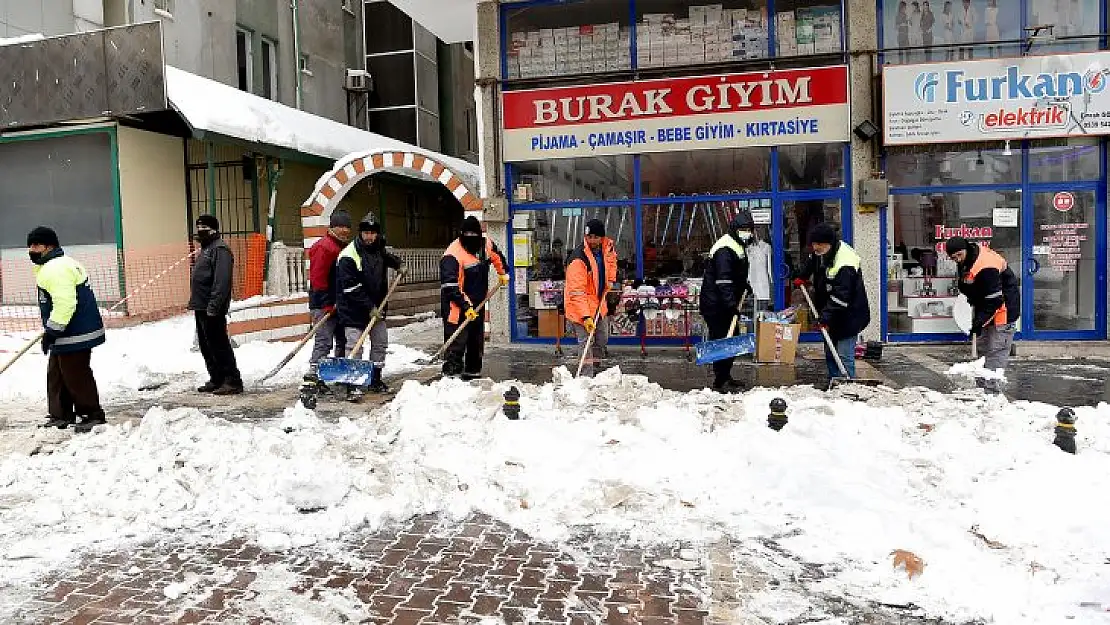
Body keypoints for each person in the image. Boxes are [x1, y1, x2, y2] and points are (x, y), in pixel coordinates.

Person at [27, 227, 107, 432]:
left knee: (75, 373)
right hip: (67, 330)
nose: (31, 249)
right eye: (30, 245)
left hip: (75, 332)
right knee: (56, 372)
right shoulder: (57, 264)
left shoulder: (56, 268)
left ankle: (92, 414)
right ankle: (61, 414)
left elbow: (65, 302)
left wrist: (52, 330)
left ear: (49, 246)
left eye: (36, 245)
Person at [335, 216, 406, 401]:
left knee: (380, 342)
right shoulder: (349, 255)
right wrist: (369, 307)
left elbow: (387, 257)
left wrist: (399, 265)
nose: (369, 237)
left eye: (373, 233)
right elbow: (351, 288)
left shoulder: (378, 249)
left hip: (377, 306)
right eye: (366, 233)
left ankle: (375, 379)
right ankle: (354, 384)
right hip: (353, 308)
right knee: (355, 345)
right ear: (360, 233)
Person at [794, 223, 870, 381]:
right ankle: (835, 381)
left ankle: (849, 384)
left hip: (849, 314)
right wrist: (803, 275)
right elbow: (812, 262)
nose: (816, 249)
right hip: (830, 310)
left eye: (819, 245)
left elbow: (841, 297)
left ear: (828, 243)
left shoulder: (845, 263)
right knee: (830, 352)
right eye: (814, 245)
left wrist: (825, 317)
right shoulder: (822, 251)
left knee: (843, 354)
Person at [945, 237, 1020, 393]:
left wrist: (979, 321)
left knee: (996, 352)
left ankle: (992, 394)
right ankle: (982, 390)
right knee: (983, 350)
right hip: (985, 307)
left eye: (959, 255)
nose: (957, 260)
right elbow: (969, 286)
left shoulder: (987, 266)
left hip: (1003, 311)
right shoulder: (967, 259)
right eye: (954, 258)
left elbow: (994, 299)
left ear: (965, 249)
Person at [440, 216, 508, 380]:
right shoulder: (452, 254)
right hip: (455, 306)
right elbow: (451, 287)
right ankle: (451, 376)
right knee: (457, 340)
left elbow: (497, 257)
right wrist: (466, 306)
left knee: (475, 340)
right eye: (468, 234)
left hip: (478, 302)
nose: (472, 238)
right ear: (462, 234)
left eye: (474, 234)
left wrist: (503, 273)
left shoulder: (485, 244)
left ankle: (472, 372)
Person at [699, 210, 755, 393]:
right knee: (723, 341)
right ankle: (720, 379)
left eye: (749, 229)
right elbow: (723, 280)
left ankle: (725, 376)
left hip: (723, 302)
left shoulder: (736, 244)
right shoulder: (725, 248)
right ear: (735, 229)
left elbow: (733, 274)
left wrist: (743, 285)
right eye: (744, 229)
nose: (748, 232)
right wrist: (731, 305)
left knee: (730, 340)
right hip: (716, 304)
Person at [189, 215, 242, 395]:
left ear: (214, 229)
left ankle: (232, 380)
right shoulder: (206, 248)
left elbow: (222, 281)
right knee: (206, 346)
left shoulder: (219, 250)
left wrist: (214, 306)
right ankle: (216, 378)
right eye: (198, 226)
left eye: (204, 226)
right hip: (201, 306)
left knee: (219, 344)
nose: (200, 230)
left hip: (212, 308)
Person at [304, 210, 353, 390]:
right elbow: (318, 279)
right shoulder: (324, 247)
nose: (344, 231)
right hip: (324, 304)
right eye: (341, 227)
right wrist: (326, 304)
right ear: (332, 227)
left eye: (347, 227)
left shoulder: (341, 247)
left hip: (339, 304)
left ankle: (338, 373)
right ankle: (314, 376)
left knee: (342, 340)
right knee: (324, 341)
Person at [563, 218, 619, 376]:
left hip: (598, 303)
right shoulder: (578, 259)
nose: (592, 240)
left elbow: (611, 262)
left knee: (602, 338)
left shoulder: (607, 248)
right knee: (586, 342)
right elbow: (576, 292)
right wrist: (586, 316)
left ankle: (596, 368)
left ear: (602, 237)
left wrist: (610, 280)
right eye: (589, 237)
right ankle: (585, 377)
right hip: (581, 307)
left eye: (595, 237)